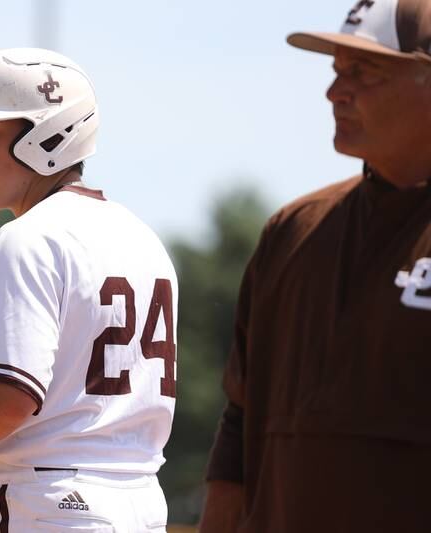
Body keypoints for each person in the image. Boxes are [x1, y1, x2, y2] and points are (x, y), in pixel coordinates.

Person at [0, 47, 179, 532]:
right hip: (139, 505)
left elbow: (2, 406)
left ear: (49, 132)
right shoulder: (144, 239)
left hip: (47, 505)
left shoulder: (27, 239)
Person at [200, 1, 431, 532]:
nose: (334, 92)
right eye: (336, 70)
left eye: (363, 72)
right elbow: (239, 421)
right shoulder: (295, 228)